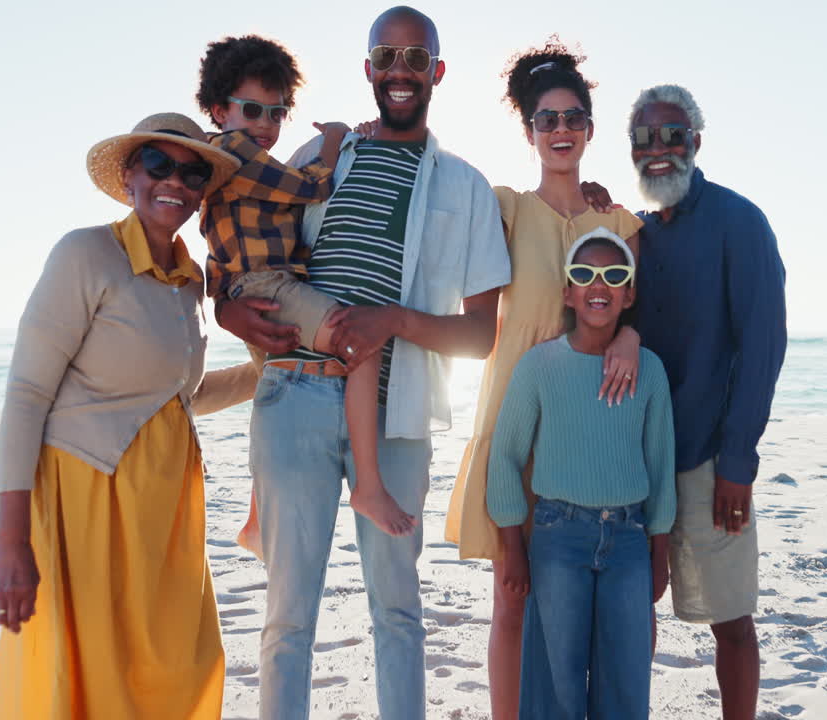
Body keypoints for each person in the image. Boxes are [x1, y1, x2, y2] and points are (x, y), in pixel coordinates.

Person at [215, 7, 512, 719]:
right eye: (387, 56)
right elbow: (247, 252)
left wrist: (397, 322)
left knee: (398, 613)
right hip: (294, 399)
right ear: (369, 70)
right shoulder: (320, 159)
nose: (401, 70)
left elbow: (480, 338)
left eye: (416, 58)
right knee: (288, 618)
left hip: (399, 413)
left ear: (435, 73)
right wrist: (225, 308)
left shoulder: (465, 186)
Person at [0, 113, 258, 719]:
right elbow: (27, 393)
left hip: (163, 513)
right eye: (159, 165)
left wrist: (268, 374)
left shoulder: (191, 282)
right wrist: (12, 543)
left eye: (192, 172)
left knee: (178, 668)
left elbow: (171, 396)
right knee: (91, 677)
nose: (176, 182)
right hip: (85, 503)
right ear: (131, 175)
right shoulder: (86, 253)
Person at [439, 40, 643, 719]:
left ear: (589, 127)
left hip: (594, 436)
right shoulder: (504, 208)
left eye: (572, 117)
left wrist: (634, 337)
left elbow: (641, 317)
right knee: (513, 596)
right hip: (518, 430)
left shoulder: (618, 223)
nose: (560, 130)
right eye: (546, 119)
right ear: (528, 131)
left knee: (586, 604)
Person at [196, 35, 414, 543]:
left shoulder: (226, 159)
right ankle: (368, 486)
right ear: (218, 109)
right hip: (270, 286)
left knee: (270, 385)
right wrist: (337, 139)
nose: (267, 125)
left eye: (278, 113)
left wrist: (222, 299)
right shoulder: (236, 151)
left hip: (258, 287)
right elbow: (310, 186)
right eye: (253, 110)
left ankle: (255, 521)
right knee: (361, 338)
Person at [629, 84, 788, 720]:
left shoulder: (739, 222)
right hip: (637, 461)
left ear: (696, 141)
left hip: (709, 459)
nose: (658, 149)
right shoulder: (634, 234)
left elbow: (763, 347)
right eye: (644, 138)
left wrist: (737, 463)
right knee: (631, 609)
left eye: (672, 134)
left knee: (732, 620)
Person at [488, 229, 675, 719]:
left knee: (625, 686)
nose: (600, 284)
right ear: (568, 291)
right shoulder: (539, 366)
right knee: (554, 688)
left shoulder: (649, 370)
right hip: (557, 538)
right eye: (584, 274)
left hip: (630, 544)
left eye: (615, 275)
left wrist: (660, 551)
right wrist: (511, 544)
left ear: (629, 294)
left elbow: (660, 464)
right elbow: (505, 456)